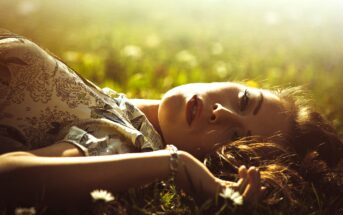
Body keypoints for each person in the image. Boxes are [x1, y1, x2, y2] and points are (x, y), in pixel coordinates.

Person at [0, 29, 342, 209]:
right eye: (243, 99)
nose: (221, 113)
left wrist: (173, 163)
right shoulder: (121, 110)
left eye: (234, 136)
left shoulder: (128, 140)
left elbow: (10, 176)